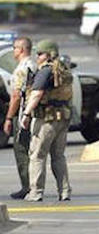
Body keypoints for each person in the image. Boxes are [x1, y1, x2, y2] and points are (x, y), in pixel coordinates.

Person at [20, 40, 72, 202]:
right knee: (58, 156)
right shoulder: (63, 69)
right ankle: (64, 191)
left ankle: (36, 192)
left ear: (49, 54)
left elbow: (36, 94)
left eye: (40, 53)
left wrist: (26, 114)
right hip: (62, 117)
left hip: (46, 118)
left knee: (37, 155)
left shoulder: (45, 71)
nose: (37, 56)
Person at [3, 37, 36, 199]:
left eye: (15, 48)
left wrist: (9, 118)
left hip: (22, 114)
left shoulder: (21, 69)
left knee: (21, 150)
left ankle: (27, 186)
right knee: (33, 152)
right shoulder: (34, 65)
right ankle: (35, 185)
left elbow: (16, 96)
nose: (14, 51)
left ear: (22, 49)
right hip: (34, 113)